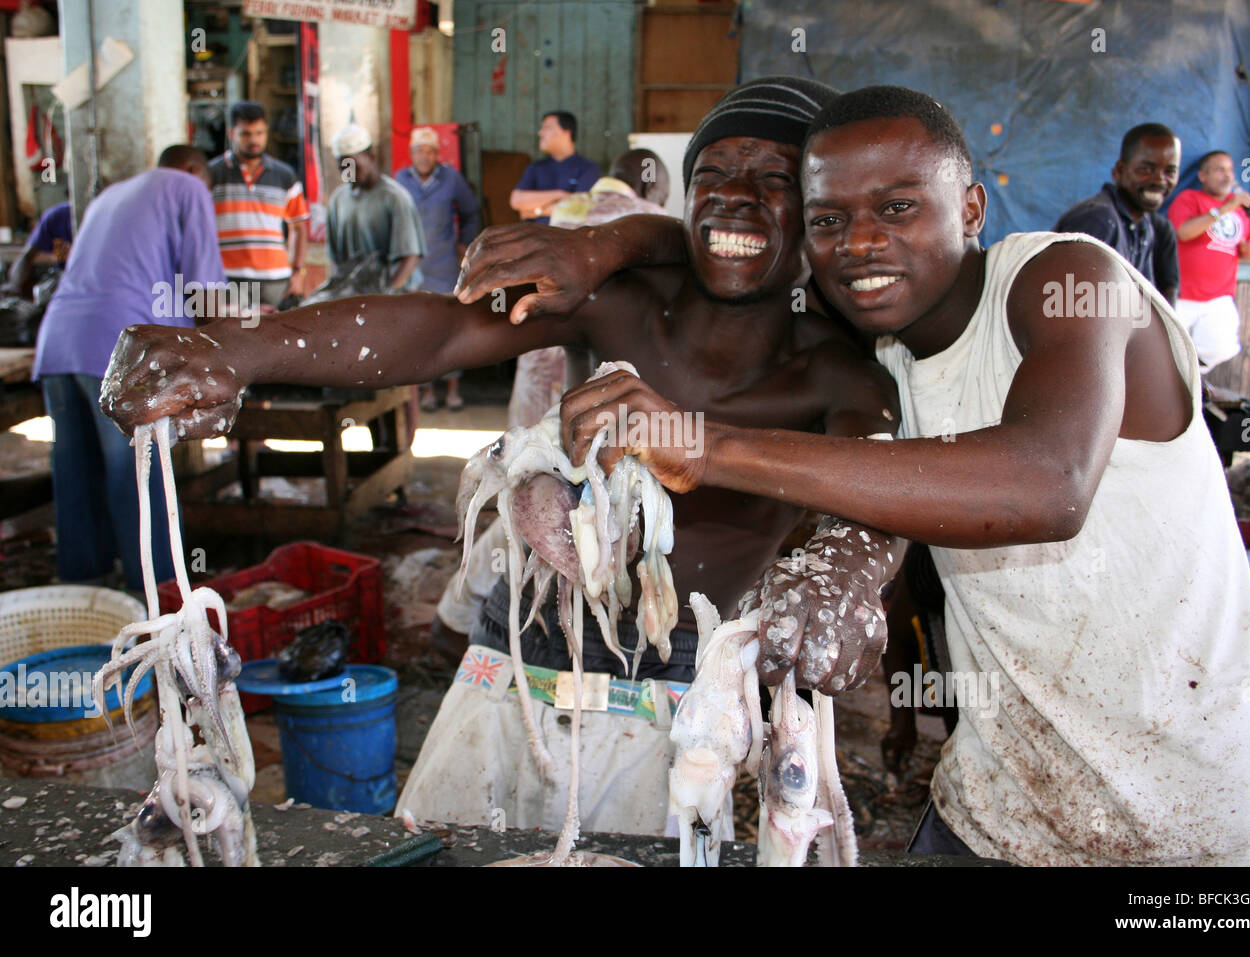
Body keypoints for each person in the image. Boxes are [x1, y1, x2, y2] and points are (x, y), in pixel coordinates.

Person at [98, 77, 899, 840]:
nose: (736, 196)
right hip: (523, 640)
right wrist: (239, 347)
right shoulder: (625, 307)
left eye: (774, 179)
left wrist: (850, 572)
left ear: (820, 212)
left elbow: (879, 488)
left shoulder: (836, 373)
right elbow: (443, 329)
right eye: (716, 173)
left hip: (674, 689)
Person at [538, 85, 1250, 865]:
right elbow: (718, 242)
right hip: (997, 806)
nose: (860, 242)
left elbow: (1048, 484)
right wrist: (607, 242)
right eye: (830, 220)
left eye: (898, 208)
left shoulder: (1069, 281)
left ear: (971, 208)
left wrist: (705, 444)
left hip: (1195, 819)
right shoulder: (884, 362)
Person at [433, 149, 674, 639]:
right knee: (552, 508)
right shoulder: (653, 223)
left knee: (523, 492)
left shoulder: (568, 211)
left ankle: (465, 612)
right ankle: (467, 612)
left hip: (538, 370)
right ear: (651, 191)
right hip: (587, 388)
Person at [32, 145, 226, 593]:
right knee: (137, 471)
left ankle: (84, 590)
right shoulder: (188, 186)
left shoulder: (112, 195)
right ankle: (153, 597)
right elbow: (202, 290)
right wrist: (225, 351)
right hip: (117, 348)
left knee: (75, 469)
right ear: (196, 170)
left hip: (60, 342)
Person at [395, 125, 480, 411]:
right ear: (411, 154)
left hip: (444, 263)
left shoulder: (451, 179)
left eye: (430, 151)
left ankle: (453, 390)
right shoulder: (400, 180)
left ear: (436, 155)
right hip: (413, 267)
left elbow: (470, 212)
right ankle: (427, 392)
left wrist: (464, 246)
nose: (424, 156)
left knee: (448, 327)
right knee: (418, 329)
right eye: (419, 150)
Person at [1053, 123, 1180, 304]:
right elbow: (1066, 306)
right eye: (1146, 169)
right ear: (1119, 171)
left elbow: (1144, 305)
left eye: (1170, 171)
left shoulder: (1144, 225)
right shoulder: (1098, 220)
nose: (1160, 180)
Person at [209, 101, 310, 311]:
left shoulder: (285, 175)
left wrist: (297, 273)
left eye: (259, 132)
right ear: (231, 133)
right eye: (245, 134)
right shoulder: (212, 174)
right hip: (228, 278)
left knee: (275, 340)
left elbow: (298, 228)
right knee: (232, 339)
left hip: (275, 280)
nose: (254, 140)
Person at [1168, 151, 1250, 371]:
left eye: (1229, 170)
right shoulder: (1189, 199)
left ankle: (1190, 382)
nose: (1227, 175)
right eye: (1219, 170)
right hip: (1182, 293)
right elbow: (1183, 232)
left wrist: (1248, 251)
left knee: (1221, 347)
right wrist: (1224, 209)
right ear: (1202, 176)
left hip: (1219, 296)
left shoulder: (1242, 210)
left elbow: (1245, 247)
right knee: (1163, 351)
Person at [326, 124, 425, 291]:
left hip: (393, 300)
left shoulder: (395, 198)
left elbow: (410, 257)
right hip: (355, 297)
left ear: (371, 157)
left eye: (354, 166)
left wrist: (386, 295)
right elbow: (336, 258)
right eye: (343, 168)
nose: (348, 174)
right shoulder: (337, 200)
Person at [508, 111, 601, 224]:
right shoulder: (536, 167)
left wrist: (538, 211)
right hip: (534, 236)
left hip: (570, 237)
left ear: (566, 132)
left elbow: (580, 207)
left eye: (547, 127)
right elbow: (516, 201)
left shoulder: (588, 168)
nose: (540, 133)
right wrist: (561, 194)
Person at [548, 148, 673, 228]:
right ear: (650, 189)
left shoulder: (565, 204)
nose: (662, 205)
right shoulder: (652, 215)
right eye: (663, 199)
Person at [2, 200, 72, 298]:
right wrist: (14, 286)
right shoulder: (57, 217)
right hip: (66, 282)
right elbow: (27, 257)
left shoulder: (97, 218)